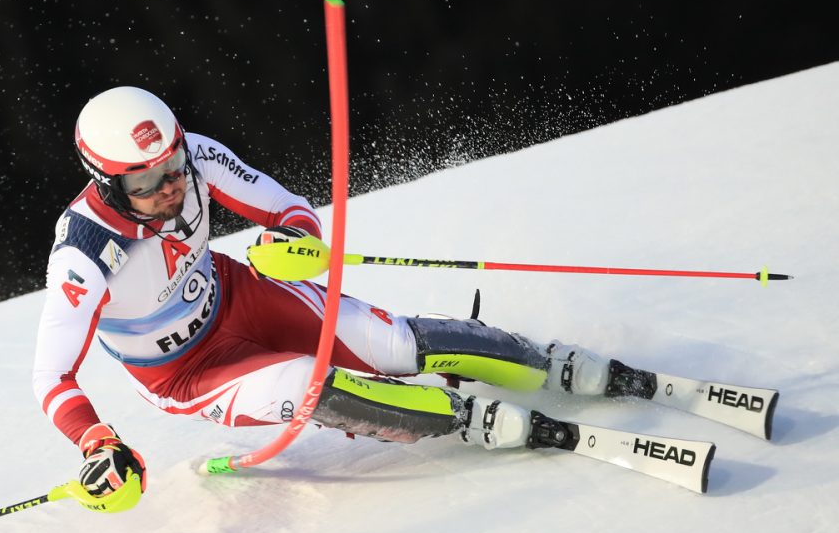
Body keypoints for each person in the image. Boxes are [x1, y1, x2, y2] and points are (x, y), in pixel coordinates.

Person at [32, 86, 654, 509]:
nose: (171, 186)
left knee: (391, 344)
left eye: (172, 166)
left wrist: (294, 241)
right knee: (310, 384)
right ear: (107, 182)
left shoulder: (191, 158)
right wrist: (96, 441)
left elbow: (289, 209)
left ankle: (547, 362)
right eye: (146, 180)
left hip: (239, 295)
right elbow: (51, 376)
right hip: (189, 372)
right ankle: (464, 421)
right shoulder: (83, 253)